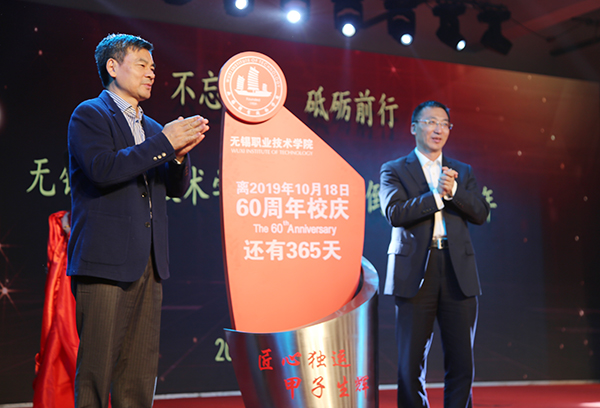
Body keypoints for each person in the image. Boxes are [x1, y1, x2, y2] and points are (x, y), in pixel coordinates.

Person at [67, 33, 209, 408]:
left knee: (139, 373)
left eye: (153, 67)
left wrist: (178, 156)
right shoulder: (90, 114)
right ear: (113, 67)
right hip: (104, 260)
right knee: (96, 370)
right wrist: (165, 143)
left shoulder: (154, 128)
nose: (151, 73)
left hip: (149, 262)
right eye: (142, 64)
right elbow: (102, 169)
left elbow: (175, 189)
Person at [379, 101, 490, 408]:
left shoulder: (461, 171)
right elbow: (395, 213)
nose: (438, 129)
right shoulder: (394, 169)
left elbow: (480, 213)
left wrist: (454, 192)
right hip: (415, 271)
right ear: (414, 127)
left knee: (462, 360)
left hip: (457, 271)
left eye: (444, 124)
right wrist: (436, 196)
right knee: (410, 361)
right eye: (430, 122)